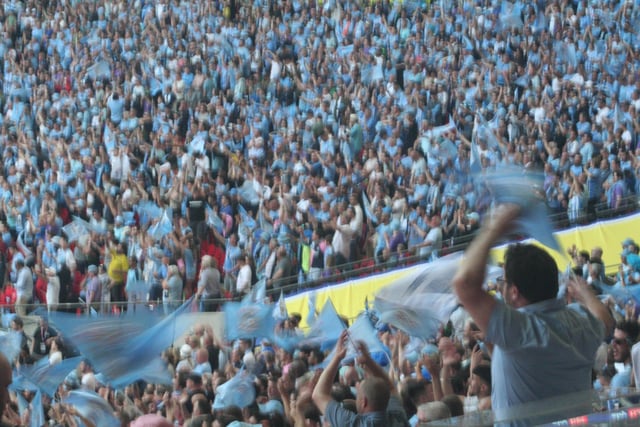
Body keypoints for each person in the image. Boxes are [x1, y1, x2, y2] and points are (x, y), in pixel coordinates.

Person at [452, 204, 614, 419]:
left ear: (515, 292)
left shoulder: (520, 329)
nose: (501, 287)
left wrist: (493, 230)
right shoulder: (580, 319)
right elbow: (606, 321)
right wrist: (586, 294)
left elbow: (465, 284)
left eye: (504, 282)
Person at [312, 330, 409, 426]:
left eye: (358, 395)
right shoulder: (398, 415)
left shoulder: (353, 424)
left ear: (364, 402)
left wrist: (337, 357)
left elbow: (318, 395)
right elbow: (390, 387)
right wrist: (369, 361)